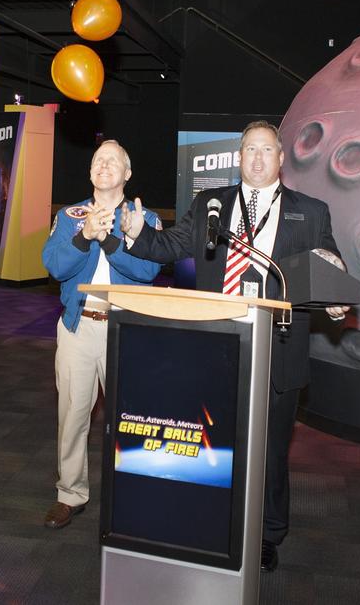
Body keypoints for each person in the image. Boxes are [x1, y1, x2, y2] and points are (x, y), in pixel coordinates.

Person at [121, 120, 346, 573]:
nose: (258, 158)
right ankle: (213, 519)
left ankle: (268, 533)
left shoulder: (312, 212)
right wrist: (135, 233)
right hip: (216, 344)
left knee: (269, 451)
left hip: (277, 347)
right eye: (250, 150)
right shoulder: (211, 205)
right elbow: (169, 245)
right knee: (215, 442)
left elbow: (330, 269)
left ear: (281, 158)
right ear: (238, 157)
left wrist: (336, 298)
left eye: (267, 150)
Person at [40, 140, 162, 530]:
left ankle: (133, 495)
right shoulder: (71, 215)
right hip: (78, 328)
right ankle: (69, 494)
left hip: (127, 331)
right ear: (90, 172)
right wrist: (83, 236)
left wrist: (109, 239)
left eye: (113, 160)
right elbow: (54, 266)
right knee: (72, 415)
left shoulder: (145, 218)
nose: (104, 165)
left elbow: (147, 272)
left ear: (127, 173)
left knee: (131, 419)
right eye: (98, 160)